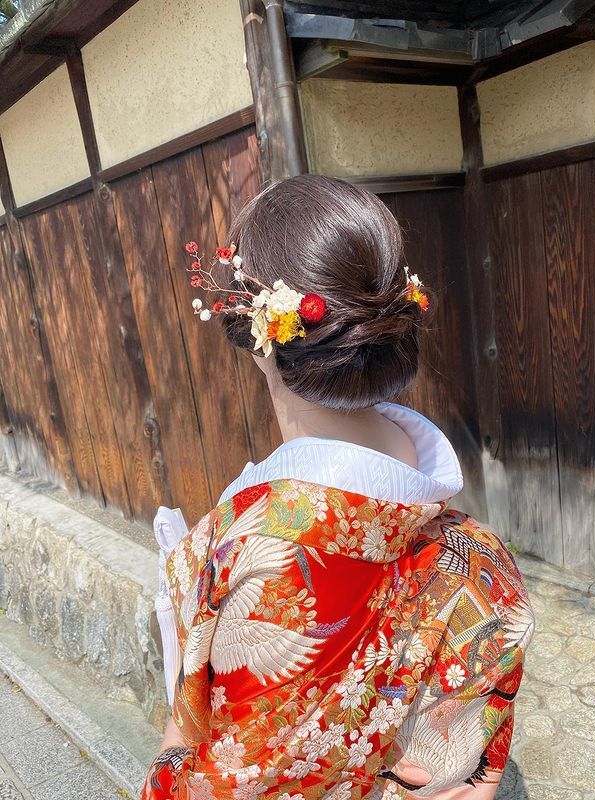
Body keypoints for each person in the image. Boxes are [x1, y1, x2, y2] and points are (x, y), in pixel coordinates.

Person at [142, 175, 535, 800]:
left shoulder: (250, 552)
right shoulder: (486, 566)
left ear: (260, 341)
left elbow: (223, 777)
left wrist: (171, 747)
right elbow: (470, 774)